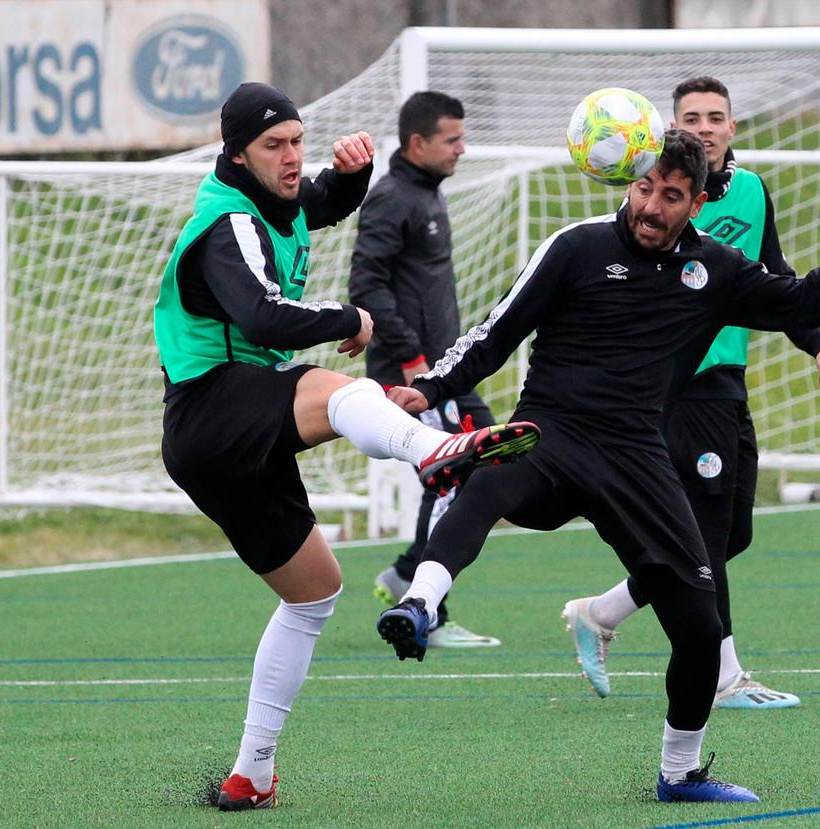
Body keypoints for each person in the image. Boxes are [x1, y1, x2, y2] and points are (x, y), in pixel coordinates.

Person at [377, 129, 820, 803]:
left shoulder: (714, 270)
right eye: (645, 188)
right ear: (628, 183)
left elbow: (806, 303)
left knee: (700, 627)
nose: (653, 206)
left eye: (673, 196)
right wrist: (429, 388)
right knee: (485, 481)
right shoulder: (577, 247)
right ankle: (420, 603)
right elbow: (495, 331)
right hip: (553, 431)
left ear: (695, 204)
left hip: (635, 456)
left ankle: (680, 771)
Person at [152, 82, 540, 812]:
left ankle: (252, 772)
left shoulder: (273, 195)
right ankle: (431, 450)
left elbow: (321, 202)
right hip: (210, 410)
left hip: (231, 437)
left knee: (313, 591)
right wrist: (347, 314)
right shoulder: (224, 221)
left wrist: (356, 174)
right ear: (236, 153)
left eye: (298, 140)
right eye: (275, 146)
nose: (293, 157)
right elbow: (262, 318)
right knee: (332, 385)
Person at [562, 76, 820, 707]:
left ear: (733, 128)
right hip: (673, 387)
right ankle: (722, 676)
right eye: (691, 117)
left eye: (716, 116)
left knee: (728, 534)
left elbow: (776, 278)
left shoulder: (750, 192)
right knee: (704, 532)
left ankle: (602, 612)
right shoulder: (653, 200)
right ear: (670, 128)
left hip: (727, 382)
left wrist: (819, 343)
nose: (705, 126)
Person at [350, 90, 501, 649]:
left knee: (485, 461)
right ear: (418, 143)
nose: (462, 149)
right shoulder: (391, 198)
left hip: (444, 372)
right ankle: (425, 608)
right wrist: (412, 357)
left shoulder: (427, 194)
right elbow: (366, 285)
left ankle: (408, 573)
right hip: (412, 375)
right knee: (454, 475)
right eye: (452, 139)